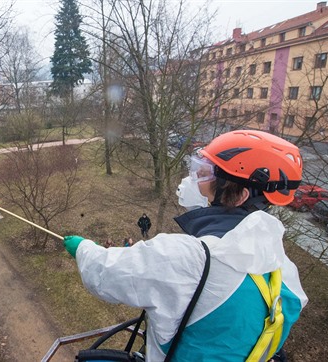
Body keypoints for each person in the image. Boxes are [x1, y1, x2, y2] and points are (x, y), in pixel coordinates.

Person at [63, 130, 308, 361]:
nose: (197, 179)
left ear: (240, 195)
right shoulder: (284, 271)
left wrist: (83, 248)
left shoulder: (188, 258)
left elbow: (106, 274)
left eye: (207, 173)